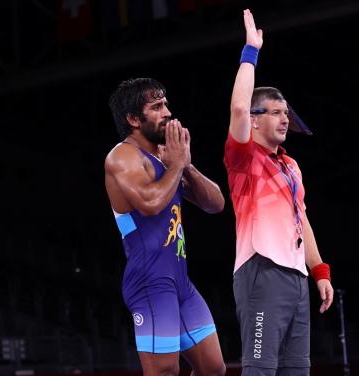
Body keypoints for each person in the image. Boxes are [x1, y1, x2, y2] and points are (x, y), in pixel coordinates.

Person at [223, 9, 334, 376]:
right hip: (261, 270)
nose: (285, 119)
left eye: (286, 112)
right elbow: (239, 105)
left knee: (297, 371)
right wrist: (250, 51)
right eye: (275, 112)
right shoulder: (244, 158)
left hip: (297, 279)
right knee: (260, 370)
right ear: (254, 120)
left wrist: (319, 271)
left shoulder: (291, 166)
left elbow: (301, 219)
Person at [105, 77, 227, 376]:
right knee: (164, 371)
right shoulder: (122, 157)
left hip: (180, 282)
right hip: (150, 282)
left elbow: (216, 204)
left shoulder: (166, 159)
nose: (168, 112)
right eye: (157, 107)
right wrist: (175, 165)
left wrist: (185, 165)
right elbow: (150, 203)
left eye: (166, 104)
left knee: (213, 368)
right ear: (133, 119)